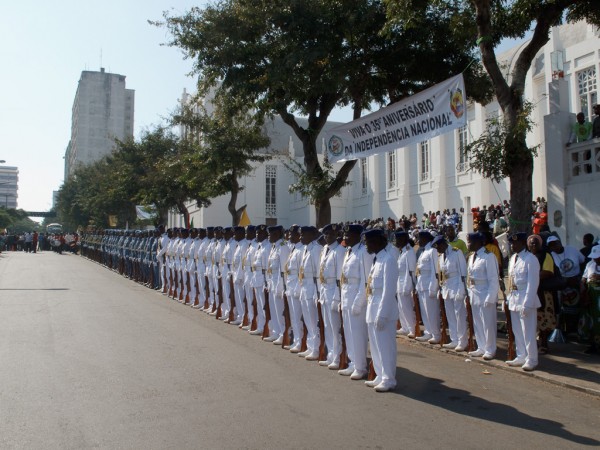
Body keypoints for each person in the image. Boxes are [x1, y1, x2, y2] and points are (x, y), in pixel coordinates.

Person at [363, 229, 399, 392]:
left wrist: (383, 314)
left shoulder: (388, 260)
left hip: (383, 310)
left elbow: (388, 290)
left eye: (368, 242)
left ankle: (389, 378)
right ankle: (380, 374)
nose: (366, 245)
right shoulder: (377, 259)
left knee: (386, 346)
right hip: (373, 307)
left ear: (377, 241)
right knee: (376, 346)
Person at [339, 224, 372, 379]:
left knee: (358, 333)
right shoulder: (348, 252)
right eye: (345, 235)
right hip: (346, 295)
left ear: (358, 236)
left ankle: (361, 366)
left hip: (356, 297)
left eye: (349, 235)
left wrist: (359, 302)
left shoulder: (363, 252)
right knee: (349, 332)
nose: (346, 238)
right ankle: (353, 363)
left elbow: (365, 281)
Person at [506, 233, 541, 371]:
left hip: (526, 298)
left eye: (516, 243)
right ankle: (521, 355)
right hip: (514, 297)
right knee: (517, 330)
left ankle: (532, 359)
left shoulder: (531, 259)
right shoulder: (513, 258)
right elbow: (510, 280)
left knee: (528, 331)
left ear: (523, 244)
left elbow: (533, 283)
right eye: (512, 244)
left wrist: (527, 303)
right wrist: (509, 299)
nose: (513, 246)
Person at [432, 235, 469, 352]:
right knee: (450, 315)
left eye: (438, 248)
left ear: (443, 244)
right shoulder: (441, 256)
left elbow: (463, 272)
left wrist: (462, 289)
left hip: (457, 285)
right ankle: (454, 339)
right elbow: (442, 274)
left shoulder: (456, 252)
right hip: (447, 288)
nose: (438, 251)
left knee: (460, 316)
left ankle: (462, 341)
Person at [466, 232, 500, 360]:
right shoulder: (471, 257)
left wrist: (491, 297)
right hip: (474, 292)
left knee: (488, 323)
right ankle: (481, 347)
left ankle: (490, 349)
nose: (468, 244)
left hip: (485, 292)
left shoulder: (489, 257)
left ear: (479, 242)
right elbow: (470, 277)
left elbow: (493, 279)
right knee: (478, 322)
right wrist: (469, 292)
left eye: (470, 242)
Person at [527, 234, 558, 355]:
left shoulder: (546, 255)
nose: (533, 245)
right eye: (531, 243)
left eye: (536, 243)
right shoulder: (527, 256)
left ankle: (544, 343)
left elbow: (548, 272)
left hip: (543, 292)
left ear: (540, 244)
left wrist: (531, 277)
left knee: (544, 317)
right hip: (530, 291)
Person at [395, 231, 417, 338]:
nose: (396, 242)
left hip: (406, 283)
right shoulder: (402, 251)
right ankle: (405, 327)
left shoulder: (409, 252)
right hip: (400, 281)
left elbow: (411, 271)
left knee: (407, 307)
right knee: (401, 306)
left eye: (397, 239)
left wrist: (408, 286)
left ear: (403, 239)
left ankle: (412, 328)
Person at [580, 245, 600, 354]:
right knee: (591, 320)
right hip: (591, 296)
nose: (596, 259)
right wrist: (584, 293)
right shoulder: (590, 264)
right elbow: (583, 280)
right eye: (595, 257)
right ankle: (593, 344)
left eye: (598, 257)